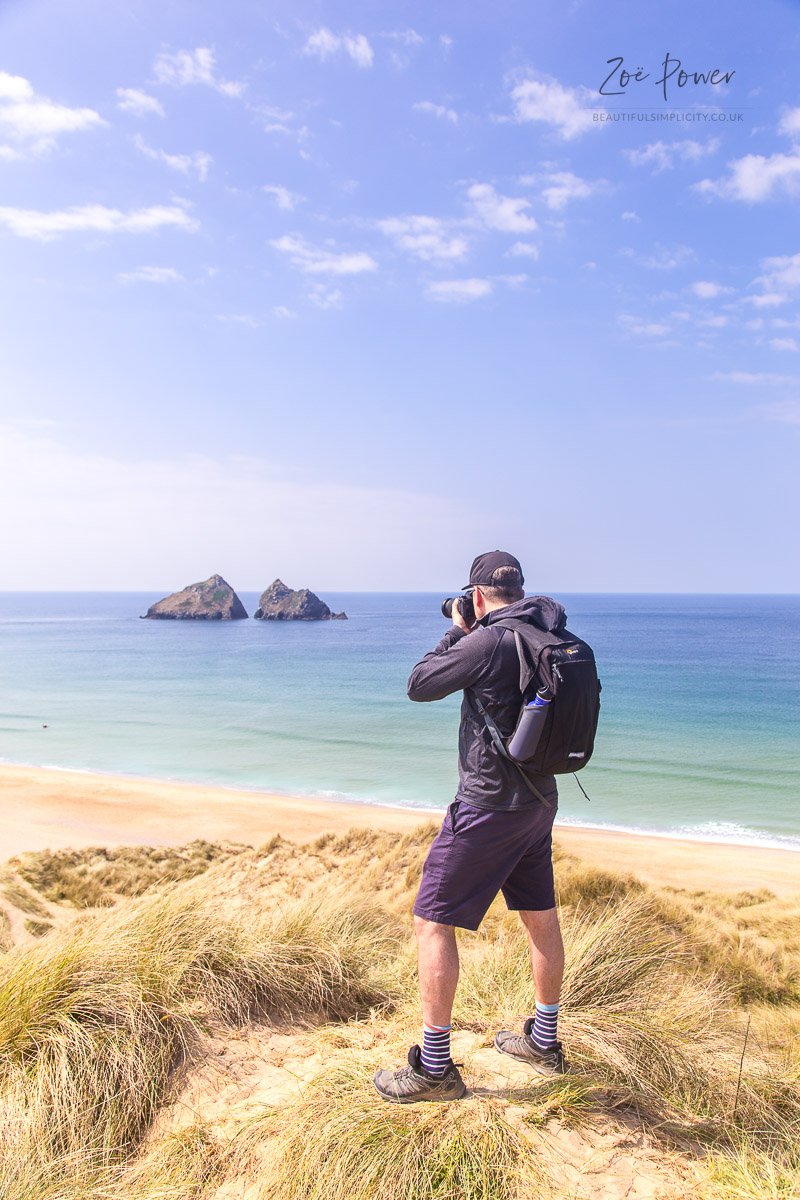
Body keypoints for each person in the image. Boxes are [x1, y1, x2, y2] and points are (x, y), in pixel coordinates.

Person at [373, 551, 567, 1104]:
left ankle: (434, 1069)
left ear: (478, 596)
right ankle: (543, 1041)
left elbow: (419, 684)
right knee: (540, 915)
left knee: (432, 921)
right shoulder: (544, 633)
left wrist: (455, 632)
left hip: (487, 806)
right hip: (538, 799)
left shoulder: (487, 640)